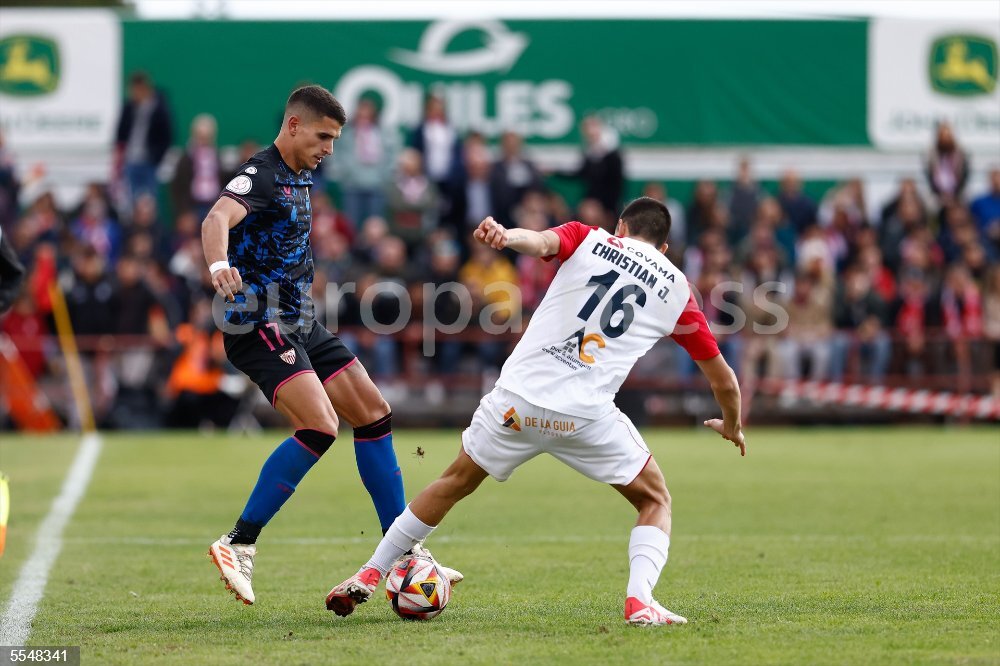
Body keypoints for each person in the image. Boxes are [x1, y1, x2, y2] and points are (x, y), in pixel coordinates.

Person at [326, 197, 747, 626]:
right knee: (655, 498)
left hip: (516, 402)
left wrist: (506, 236)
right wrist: (731, 425)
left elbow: (541, 240)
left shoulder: (589, 237)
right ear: (664, 249)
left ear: (620, 226)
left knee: (452, 483)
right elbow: (724, 379)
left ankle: (371, 571)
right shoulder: (676, 289)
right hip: (584, 417)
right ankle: (640, 601)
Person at [201, 85, 460, 605]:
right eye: (324, 136)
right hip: (257, 320)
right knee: (321, 424)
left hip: (299, 320)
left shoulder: (302, 174)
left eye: (336, 139)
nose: (330, 149)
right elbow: (216, 218)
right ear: (293, 125)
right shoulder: (263, 174)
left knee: (374, 411)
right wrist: (218, 265)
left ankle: (403, 553)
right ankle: (239, 542)